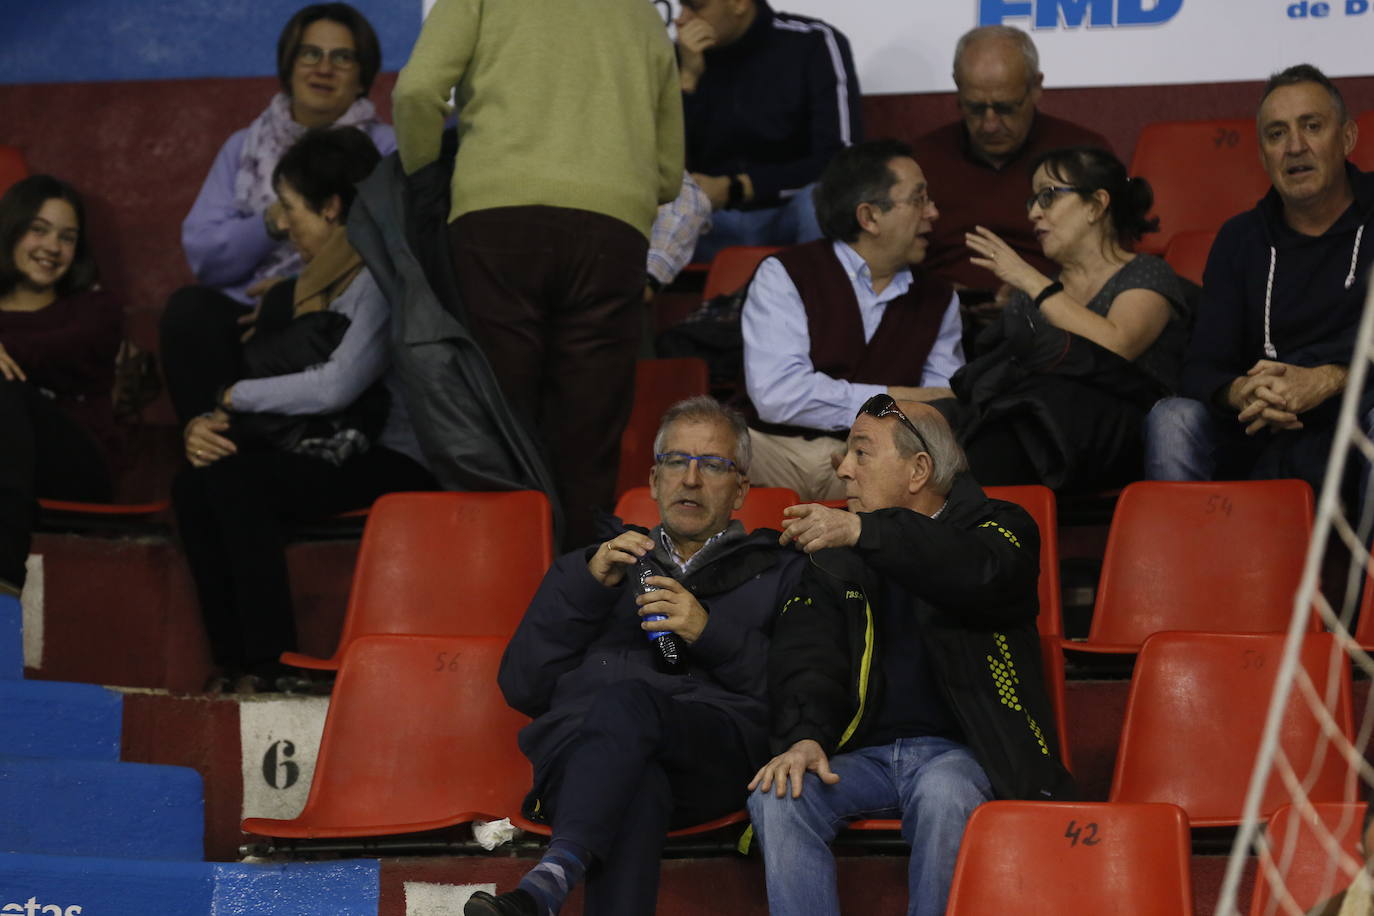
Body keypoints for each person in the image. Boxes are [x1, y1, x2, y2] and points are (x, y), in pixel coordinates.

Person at [467, 397, 805, 916]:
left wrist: (707, 632)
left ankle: (549, 879)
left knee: (629, 703)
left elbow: (798, 695)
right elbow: (522, 685)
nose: (690, 479)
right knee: (638, 786)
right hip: (588, 760)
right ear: (652, 480)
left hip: (712, 756)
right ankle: (551, 881)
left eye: (713, 465)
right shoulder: (596, 567)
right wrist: (585, 589)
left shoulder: (781, 571)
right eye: (676, 461)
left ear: (741, 490)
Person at [746, 394, 1074, 916]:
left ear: (919, 469)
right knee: (777, 794)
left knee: (945, 792)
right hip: (863, 758)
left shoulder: (1002, 527)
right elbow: (807, 653)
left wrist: (865, 532)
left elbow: (977, 571)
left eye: (861, 453)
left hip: (967, 755)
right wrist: (803, 736)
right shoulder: (837, 552)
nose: (843, 470)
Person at [392, 0, 682, 548]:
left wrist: (425, 178)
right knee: (587, 441)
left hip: (496, 224)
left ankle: (502, 596)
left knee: (500, 429)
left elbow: (415, 92)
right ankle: (579, 602)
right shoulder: (642, 13)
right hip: (612, 230)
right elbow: (668, 173)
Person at [169, 128, 435, 694]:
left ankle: (273, 666)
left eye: (292, 209)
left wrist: (230, 397)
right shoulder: (315, 283)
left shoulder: (380, 276)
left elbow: (335, 387)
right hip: (335, 445)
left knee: (240, 484)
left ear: (333, 207)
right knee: (195, 484)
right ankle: (235, 663)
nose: (284, 224)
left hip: (393, 456)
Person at [1144, 64, 1374, 497]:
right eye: (1276, 134)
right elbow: (1202, 365)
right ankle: (1186, 560)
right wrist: (1244, 391)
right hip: (1265, 432)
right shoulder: (1240, 239)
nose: (1295, 147)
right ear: (1262, 154)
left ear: (1346, 138)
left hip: (1359, 421)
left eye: (1312, 126)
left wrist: (1327, 378)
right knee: (1172, 419)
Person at [741, 139, 964, 501]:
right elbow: (777, 395)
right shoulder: (786, 273)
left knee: (929, 468)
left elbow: (938, 407)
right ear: (870, 216)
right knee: (707, 447)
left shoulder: (938, 298)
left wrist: (865, 444)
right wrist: (890, 399)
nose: (933, 213)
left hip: (877, 462)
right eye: (919, 200)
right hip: (776, 450)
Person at [956, 146, 1189, 489]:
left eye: (1048, 196)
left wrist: (1029, 278)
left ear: (1096, 205)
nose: (1034, 212)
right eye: (1033, 201)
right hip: (1039, 437)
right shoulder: (1027, 296)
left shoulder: (1147, 273)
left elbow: (1116, 344)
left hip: (1122, 440)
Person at [910, 26, 1109, 325]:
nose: (990, 125)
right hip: (935, 323)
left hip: (1056, 319)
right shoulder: (918, 160)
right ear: (957, 89)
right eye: (976, 108)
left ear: (1036, 87)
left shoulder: (1082, 155)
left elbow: (1110, 261)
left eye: (1005, 108)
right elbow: (888, 257)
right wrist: (934, 294)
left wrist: (1039, 289)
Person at [0, 175, 122, 615]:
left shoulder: (95, 311)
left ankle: (2, 588)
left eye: (67, 237)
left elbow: (51, 350)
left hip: (76, 466)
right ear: (11, 229)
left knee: (4, 391)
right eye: (39, 229)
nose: (52, 246)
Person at [677, 0, 861, 262]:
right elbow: (660, 167)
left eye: (696, 7)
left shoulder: (812, 42)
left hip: (789, 213)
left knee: (823, 200)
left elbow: (843, 160)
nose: (681, 20)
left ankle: (824, 298)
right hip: (709, 220)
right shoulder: (680, 57)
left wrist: (741, 187)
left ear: (739, 4)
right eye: (681, 6)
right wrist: (687, 81)